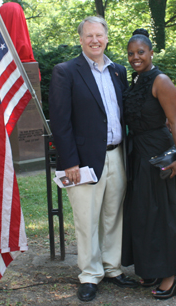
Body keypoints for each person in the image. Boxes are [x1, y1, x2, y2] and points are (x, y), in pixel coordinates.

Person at [49, 16, 138, 302]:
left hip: (117, 155)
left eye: (99, 35)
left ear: (107, 38)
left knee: (113, 215)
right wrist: (69, 162)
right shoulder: (66, 72)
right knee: (87, 220)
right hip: (83, 162)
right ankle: (89, 275)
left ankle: (112, 268)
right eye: (89, 36)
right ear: (81, 39)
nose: (94, 40)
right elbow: (60, 123)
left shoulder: (118, 71)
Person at [122, 29, 176, 300]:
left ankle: (170, 275)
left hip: (158, 154)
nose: (135, 57)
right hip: (137, 153)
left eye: (140, 52)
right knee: (142, 213)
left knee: (162, 215)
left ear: (150, 53)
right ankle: (149, 267)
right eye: (131, 53)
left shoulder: (161, 81)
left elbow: (174, 122)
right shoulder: (135, 81)